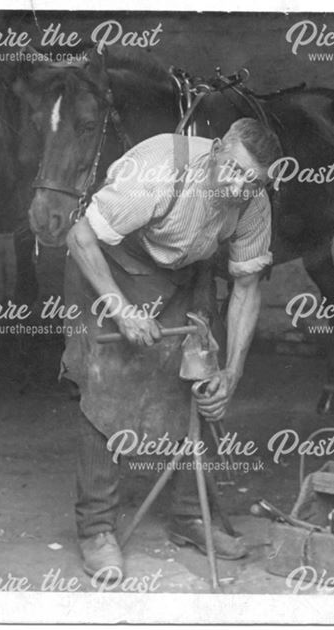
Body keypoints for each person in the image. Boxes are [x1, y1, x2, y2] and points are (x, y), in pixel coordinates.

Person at [62, 118, 283, 581]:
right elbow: (81, 236)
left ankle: (190, 515)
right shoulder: (161, 168)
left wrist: (232, 374)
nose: (238, 187)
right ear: (217, 149)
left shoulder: (252, 202)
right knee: (106, 385)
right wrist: (120, 308)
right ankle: (97, 528)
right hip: (111, 265)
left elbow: (246, 288)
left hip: (184, 269)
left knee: (201, 377)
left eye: (252, 182)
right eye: (234, 171)